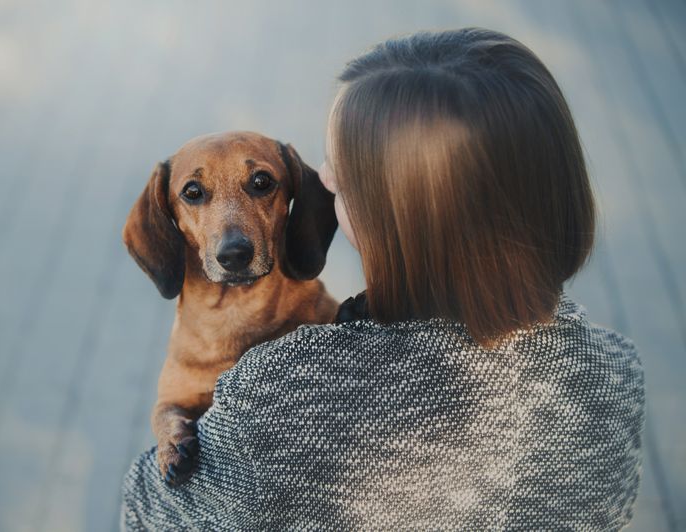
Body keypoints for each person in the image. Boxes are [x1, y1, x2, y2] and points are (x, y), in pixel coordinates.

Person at [121, 28, 644, 530]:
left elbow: (147, 510)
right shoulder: (615, 375)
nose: (318, 181)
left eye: (340, 178)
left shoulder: (280, 395)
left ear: (398, 218)